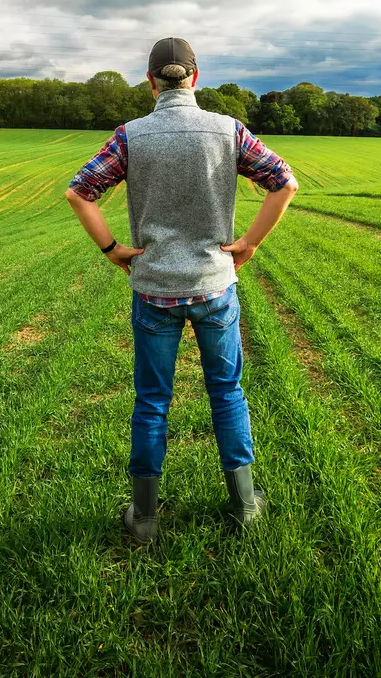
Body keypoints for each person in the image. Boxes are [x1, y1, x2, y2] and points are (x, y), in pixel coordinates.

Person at [64, 37, 299, 544]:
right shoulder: (229, 131)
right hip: (215, 287)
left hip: (152, 291)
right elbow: (284, 182)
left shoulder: (130, 137)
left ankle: (144, 519)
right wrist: (249, 244)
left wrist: (112, 249)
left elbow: (78, 191)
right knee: (227, 393)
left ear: (150, 82)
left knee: (152, 401)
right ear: (195, 76)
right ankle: (244, 505)